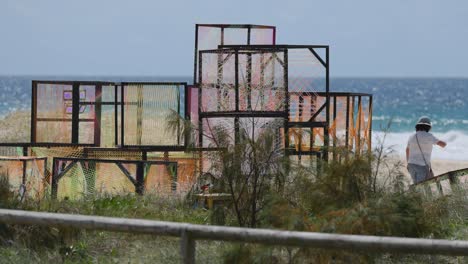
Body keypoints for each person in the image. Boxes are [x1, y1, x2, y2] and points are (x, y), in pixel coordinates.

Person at [406, 116, 447, 184]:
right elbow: (443, 144)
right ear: (428, 127)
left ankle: (413, 194)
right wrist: (446, 140)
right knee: (422, 186)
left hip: (411, 164)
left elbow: (407, 150)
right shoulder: (429, 136)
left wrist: (408, 162)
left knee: (416, 184)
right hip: (422, 165)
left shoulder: (412, 136)